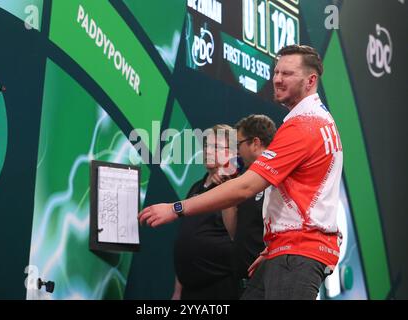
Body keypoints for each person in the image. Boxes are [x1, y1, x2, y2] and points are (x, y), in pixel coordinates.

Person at [140, 44, 343, 300]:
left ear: (311, 80)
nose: (277, 80)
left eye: (287, 74)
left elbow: (245, 188)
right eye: (276, 72)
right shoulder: (317, 120)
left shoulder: (305, 125)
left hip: (297, 253)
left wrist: (175, 208)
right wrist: (273, 247)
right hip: (285, 251)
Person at [172, 124, 238, 300]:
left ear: (232, 153)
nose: (208, 151)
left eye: (216, 147)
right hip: (188, 291)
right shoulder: (195, 187)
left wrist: (227, 181)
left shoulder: (237, 190)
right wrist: (178, 290)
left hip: (220, 290)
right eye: (207, 146)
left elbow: (239, 238)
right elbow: (185, 240)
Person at [233, 115, 276, 296]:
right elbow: (235, 233)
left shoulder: (278, 179)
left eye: (239, 144)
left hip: (270, 283)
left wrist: (177, 209)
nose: (237, 152)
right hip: (245, 284)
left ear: (255, 143)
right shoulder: (243, 179)